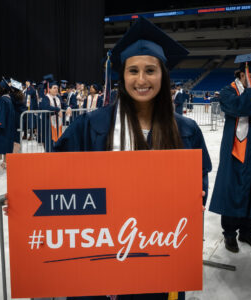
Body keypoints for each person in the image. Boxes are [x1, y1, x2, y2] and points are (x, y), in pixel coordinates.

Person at [54, 16, 212, 300]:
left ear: (163, 75)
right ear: (121, 76)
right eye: (133, 71)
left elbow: (199, 187)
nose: (141, 80)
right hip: (97, 257)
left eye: (150, 70)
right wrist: (26, 200)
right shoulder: (91, 126)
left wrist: (195, 199)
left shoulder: (186, 131)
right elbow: (54, 178)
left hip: (159, 258)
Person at [209, 53, 251, 253]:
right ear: (241, 75)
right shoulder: (228, 92)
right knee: (234, 192)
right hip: (236, 149)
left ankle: (247, 231)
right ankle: (230, 234)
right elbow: (239, 108)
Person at [0, 78, 16, 169]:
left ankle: (5, 163)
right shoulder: (8, 99)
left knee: (4, 145)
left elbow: (0, 114)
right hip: (9, 125)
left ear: (2, 89)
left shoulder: (2, 100)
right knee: (8, 144)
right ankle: (5, 162)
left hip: (3, 127)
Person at [39, 79, 68, 152]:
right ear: (49, 89)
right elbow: (46, 107)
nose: (56, 90)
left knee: (58, 141)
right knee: (49, 142)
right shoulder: (46, 98)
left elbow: (64, 105)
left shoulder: (58, 98)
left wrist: (68, 107)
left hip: (58, 124)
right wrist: (57, 109)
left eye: (57, 88)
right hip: (49, 124)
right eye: (54, 88)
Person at [9, 79, 26, 153]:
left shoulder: (12, 96)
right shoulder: (21, 95)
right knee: (17, 138)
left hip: (14, 119)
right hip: (19, 119)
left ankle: (15, 157)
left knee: (15, 140)